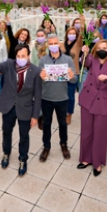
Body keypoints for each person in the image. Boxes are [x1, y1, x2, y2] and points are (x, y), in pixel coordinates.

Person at [0, 43, 42, 176]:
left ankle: (23, 159)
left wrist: (35, 116)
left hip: (25, 109)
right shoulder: (10, 65)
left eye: (23, 56)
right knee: (6, 131)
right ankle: (6, 153)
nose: (20, 58)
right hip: (9, 106)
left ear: (28, 55)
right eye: (18, 56)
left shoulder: (35, 71)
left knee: (24, 136)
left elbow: (38, 95)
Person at [76, 40, 107, 176]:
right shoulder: (92, 59)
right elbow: (85, 62)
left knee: (100, 134)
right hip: (87, 101)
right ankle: (86, 158)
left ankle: (97, 162)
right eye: (99, 47)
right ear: (95, 50)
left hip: (103, 105)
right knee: (86, 132)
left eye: (105, 48)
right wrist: (84, 52)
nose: (102, 50)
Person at [38, 34, 77, 162]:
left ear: (59, 44)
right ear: (48, 45)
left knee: (62, 123)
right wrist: (41, 78)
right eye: (51, 44)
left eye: (55, 43)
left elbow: (74, 80)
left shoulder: (67, 59)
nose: (53, 46)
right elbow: (38, 80)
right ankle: (46, 147)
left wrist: (71, 76)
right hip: (47, 98)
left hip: (62, 98)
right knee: (47, 123)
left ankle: (64, 144)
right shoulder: (43, 60)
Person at [61, 23, 83, 125]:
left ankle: (69, 113)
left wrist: (82, 24)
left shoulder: (78, 44)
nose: (72, 35)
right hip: (62, 73)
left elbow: (82, 35)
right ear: (67, 34)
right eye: (70, 33)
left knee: (70, 95)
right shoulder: (61, 45)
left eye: (74, 33)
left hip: (73, 73)